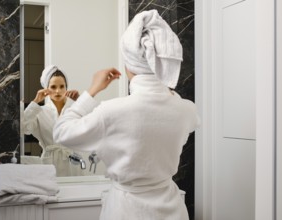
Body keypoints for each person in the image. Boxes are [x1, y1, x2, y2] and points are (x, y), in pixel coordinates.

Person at [53, 9, 200, 220]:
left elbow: (61, 132)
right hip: (173, 210)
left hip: (126, 212)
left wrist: (92, 90)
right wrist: (162, 85)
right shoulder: (187, 109)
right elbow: (171, 109)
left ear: (128, 64)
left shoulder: (112, 111)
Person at [23, 65, 82, 176]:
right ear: (47, 88)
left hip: (72, 164)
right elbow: (23, 128)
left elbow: (93, 126)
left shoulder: (74, 110)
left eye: (62, 86)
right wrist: (35, 102)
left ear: (66, 87)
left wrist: (80, 101)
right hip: (49, 164)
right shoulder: (39, 111)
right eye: (53, 87)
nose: (58, 91)